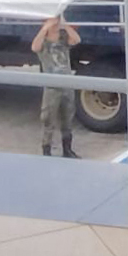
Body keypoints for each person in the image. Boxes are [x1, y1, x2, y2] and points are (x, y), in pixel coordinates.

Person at [30, 15, 80, 158]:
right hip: (52, 86)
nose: (56, 23)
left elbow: (76, 40)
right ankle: (46, 150)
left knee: (68, 117)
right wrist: (45, 27)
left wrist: (65, 25)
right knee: (48, 119)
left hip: (67, 83)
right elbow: (34, 47)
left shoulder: (64, 39)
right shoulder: (43, 42)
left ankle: (67, 149)